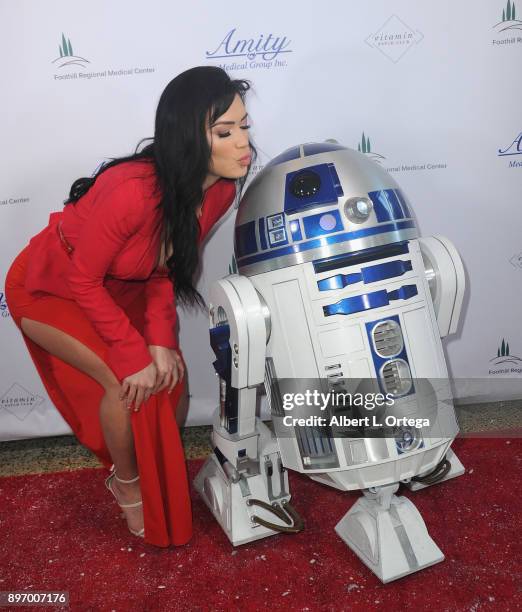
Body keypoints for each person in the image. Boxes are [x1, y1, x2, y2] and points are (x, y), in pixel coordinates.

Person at [4, 66, 255, 546]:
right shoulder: (132, 191)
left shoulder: (220, 189)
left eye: (244, 126)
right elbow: (83, 280)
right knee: (126, 383)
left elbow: (165, 268)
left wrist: (160, 342)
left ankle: (157, 473)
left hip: (130, 286)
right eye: (225, 132)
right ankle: (128, 482)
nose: (243, 143)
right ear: (187, 138)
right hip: (51, 287)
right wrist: (130, 354)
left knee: (169, 374)